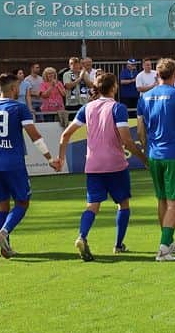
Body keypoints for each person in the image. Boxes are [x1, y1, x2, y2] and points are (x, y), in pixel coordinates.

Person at [57, 72, 149, 261]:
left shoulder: (87, 108)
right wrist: (144, 158)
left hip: (93, 165)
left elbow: (65, 135)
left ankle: (82, 236)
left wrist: (60, 159)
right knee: (123, 204)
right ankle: (118, 245)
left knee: (92, 205)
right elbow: (126, 139)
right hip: (115, 164)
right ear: (114, 87)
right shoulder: (118, 108)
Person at [0, 73, 61, 258]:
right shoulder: (18, 108)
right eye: (18, 86)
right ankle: (4, 232)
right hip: (13, 163)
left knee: (2, 204)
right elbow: (34, 135)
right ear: (13, 89)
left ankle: (5, 247)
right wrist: (49, 157)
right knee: (22, 202)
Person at [136, 58, 175, 261]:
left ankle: (168, 240)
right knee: (174, 202)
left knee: (162, 199)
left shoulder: (144, 98)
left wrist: (146, 152)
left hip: (154, 154)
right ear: (174, 75)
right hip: (172, 154)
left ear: (157, 74)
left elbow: (140, 130)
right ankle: (163, 248)